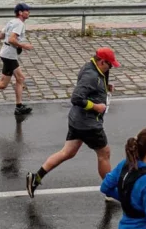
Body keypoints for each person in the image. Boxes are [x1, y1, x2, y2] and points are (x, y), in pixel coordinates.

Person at [26, 47, 120, 198]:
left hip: (77, 120)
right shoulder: (92, 76)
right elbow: (76, 98)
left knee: (67, 152)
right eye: (110, 65)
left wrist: (104, 87)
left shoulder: (91, 65)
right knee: (104, 154)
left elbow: (90, 86)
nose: (111, 68)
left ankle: (35, 178)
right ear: (102, 62)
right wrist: (96, 106)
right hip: (88, 124)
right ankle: (110, 191)